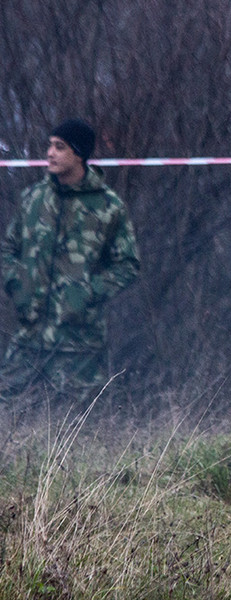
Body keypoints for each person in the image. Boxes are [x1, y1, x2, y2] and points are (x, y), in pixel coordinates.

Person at [1, 118, 141, 404]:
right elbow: (7, 250)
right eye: (50, 146)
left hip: (79, 347)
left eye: (60, 147)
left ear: (78, 154)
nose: (50, 153)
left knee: (79, 429)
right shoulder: (33, 200)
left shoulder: (107, 206)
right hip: (28, 341)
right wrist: (18, 284)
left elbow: (128, 265)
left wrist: (88, 292)